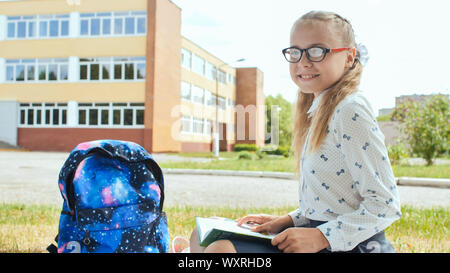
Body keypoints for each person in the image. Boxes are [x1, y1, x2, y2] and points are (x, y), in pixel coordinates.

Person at [188, 10, 402, 253]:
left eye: (317, 50)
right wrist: (288, 221)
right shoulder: (318, 109)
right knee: (200, 237)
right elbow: (333, 201)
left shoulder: (351, 109)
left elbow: (385, 206)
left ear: (349, 56)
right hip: (318, 234)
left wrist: (320, 237)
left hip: (353, 245)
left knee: (221, 251)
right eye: (295, 51)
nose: (303, 61)